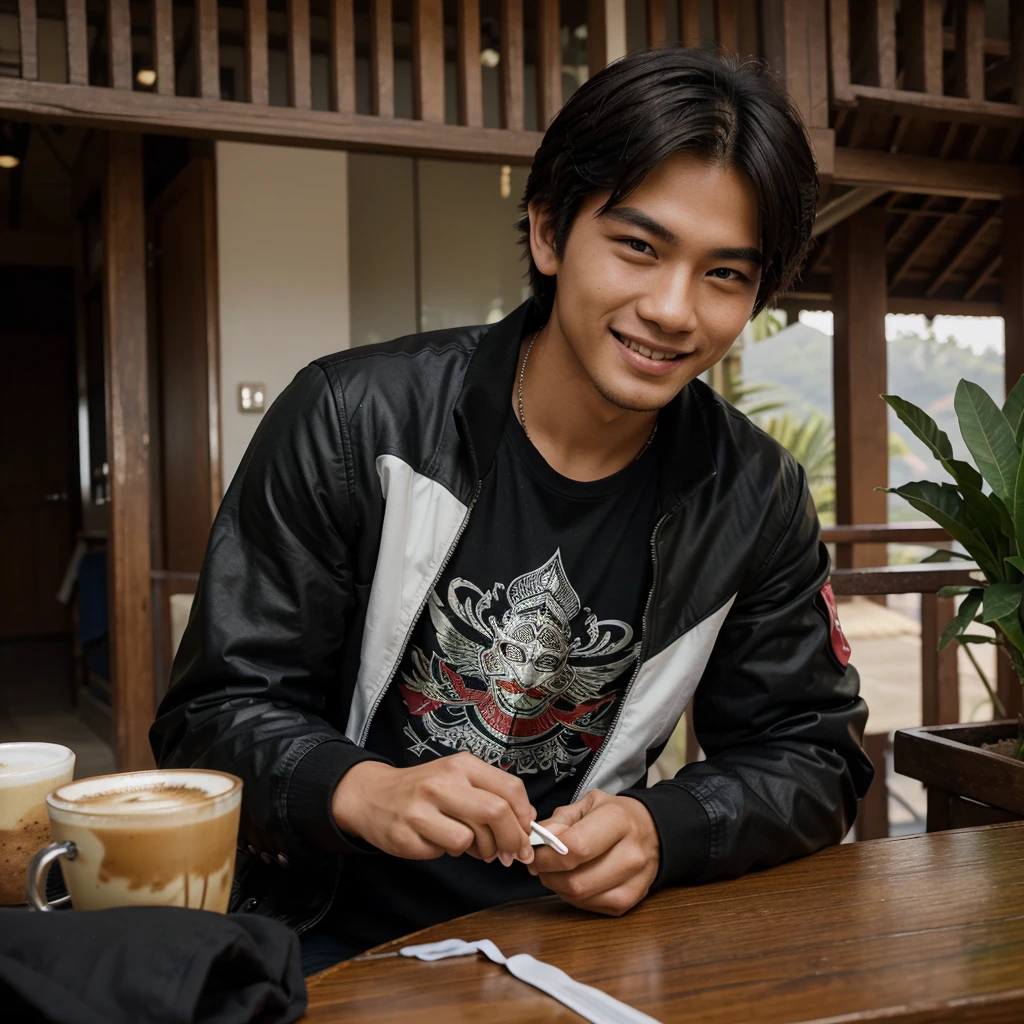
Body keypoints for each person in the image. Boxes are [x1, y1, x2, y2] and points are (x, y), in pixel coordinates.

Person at [151, 46, 873, 974]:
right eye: (638, 247)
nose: (672, 309)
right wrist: (359, 789)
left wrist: (668, 829)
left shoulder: (755, 493)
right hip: (320, 944)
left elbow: (814, 753)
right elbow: (211, 715)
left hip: (580, 951)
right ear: (547, 232)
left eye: (725, 275)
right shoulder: (351, 421)